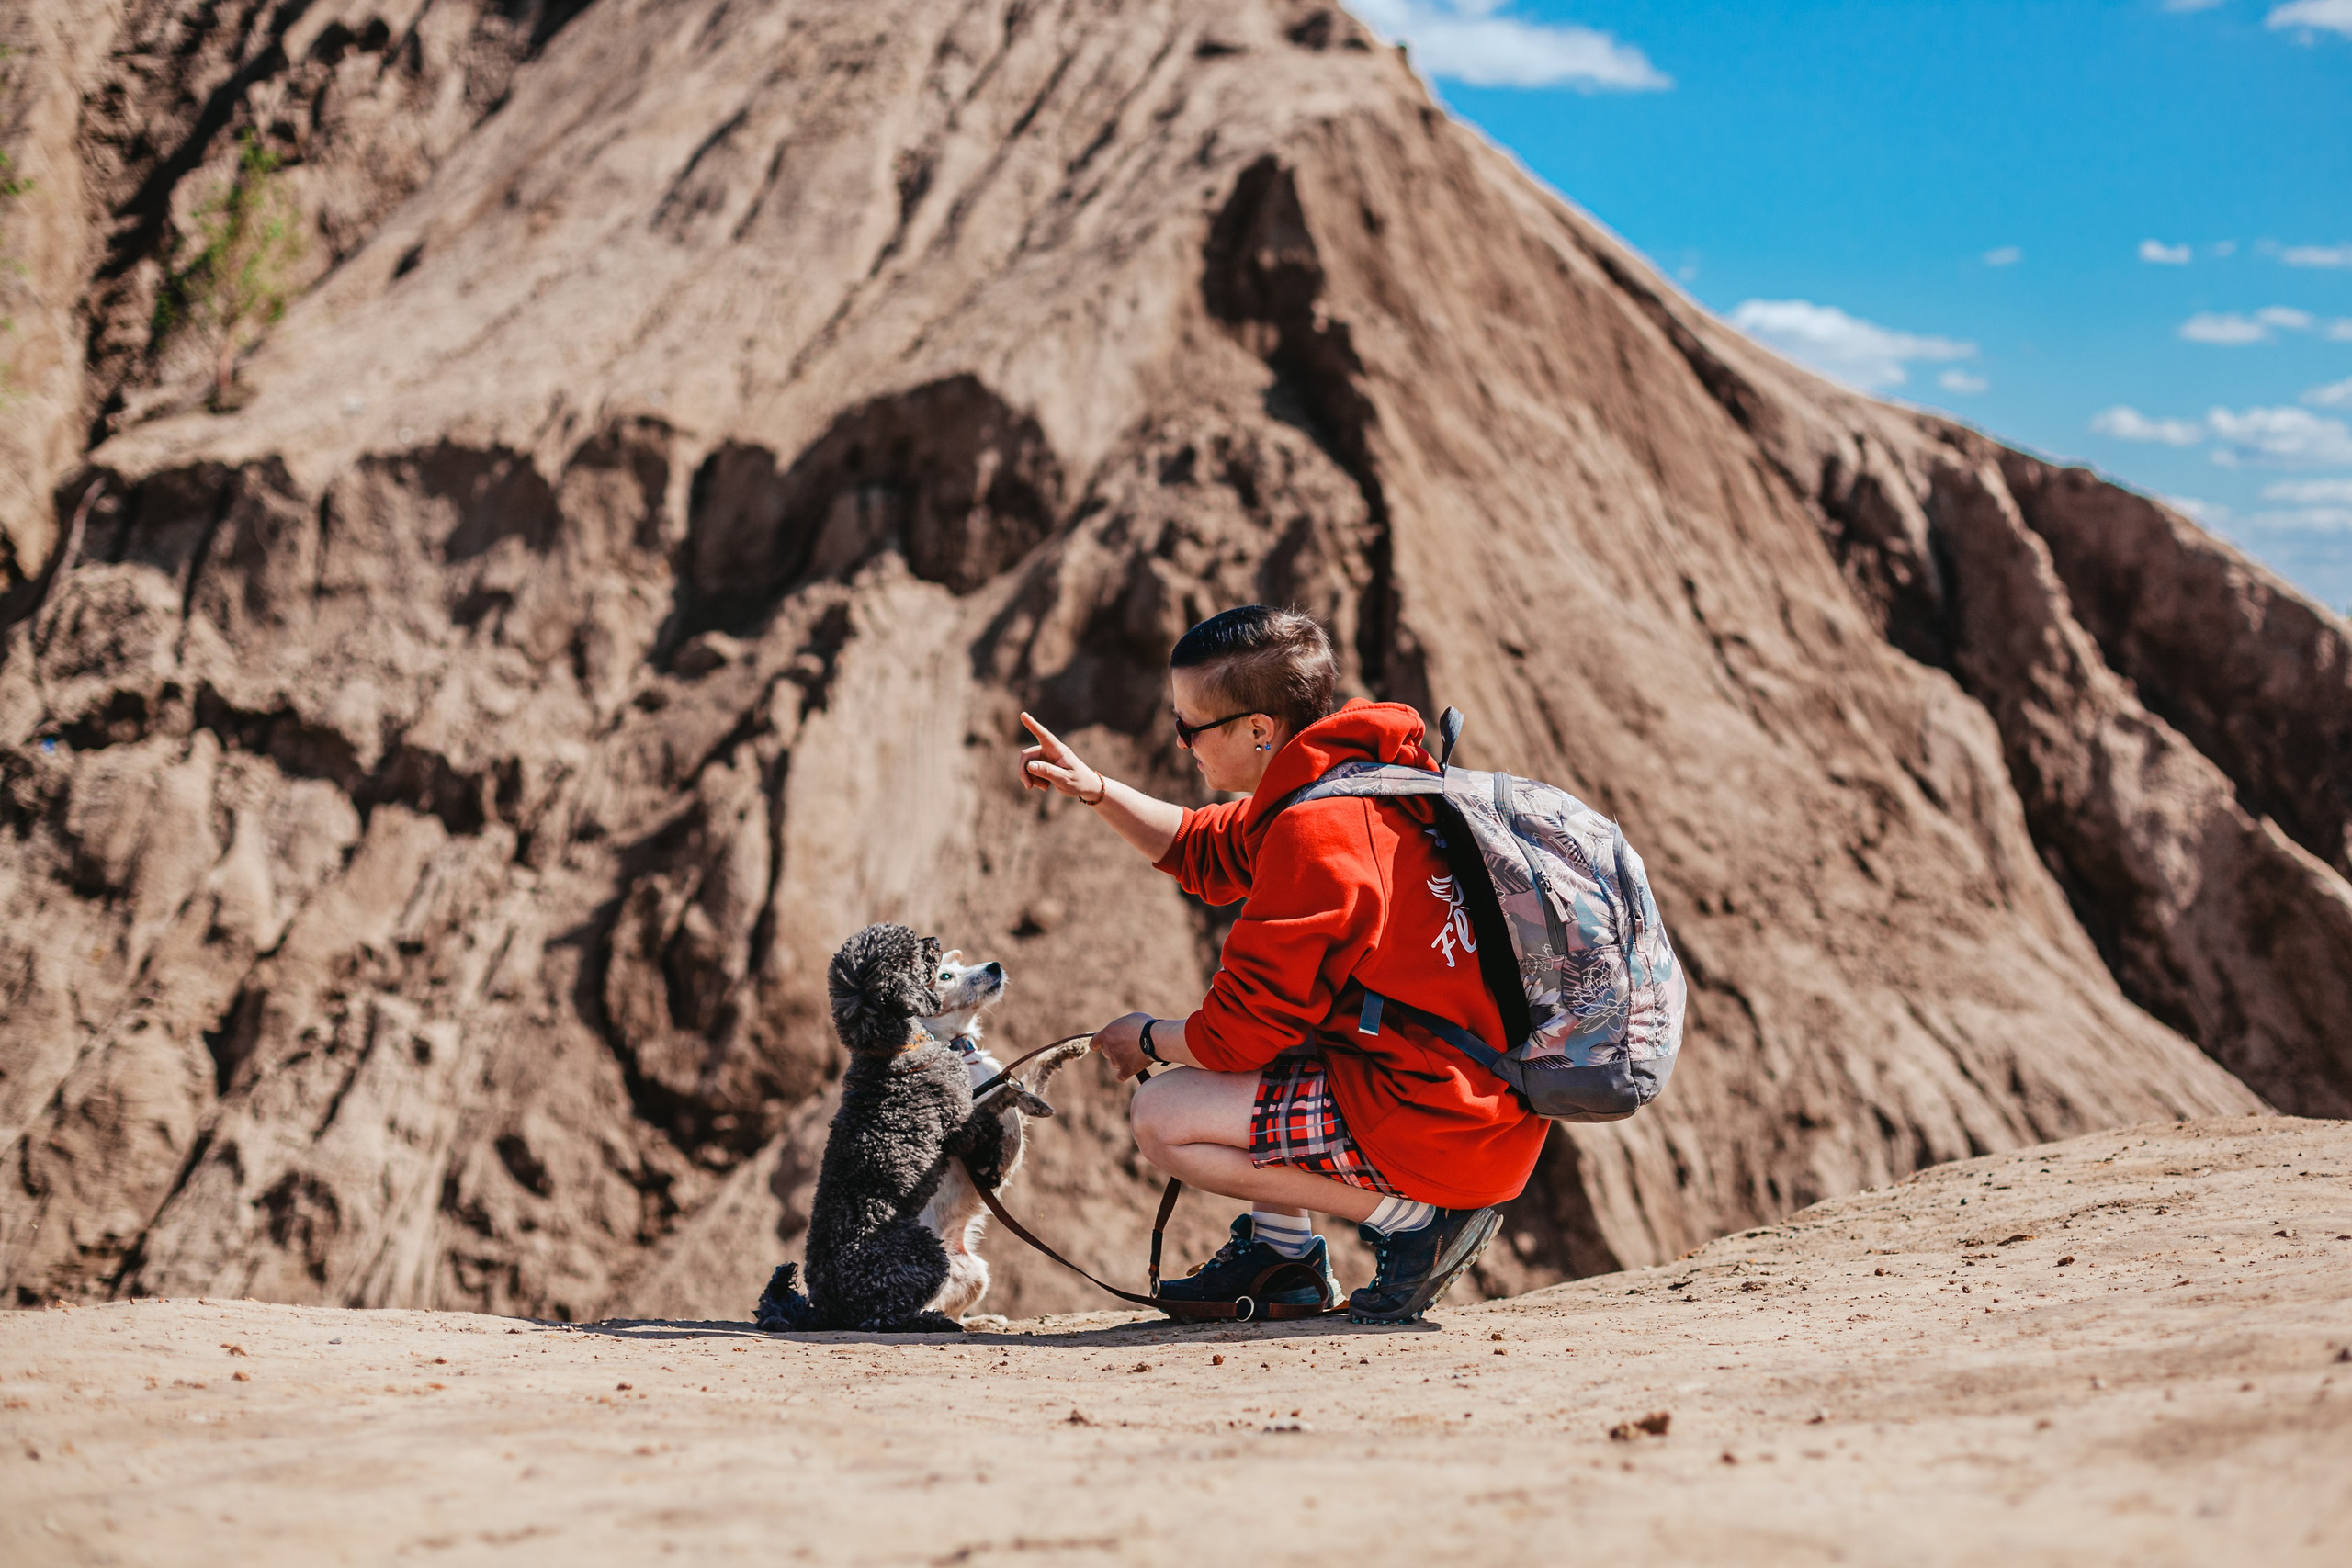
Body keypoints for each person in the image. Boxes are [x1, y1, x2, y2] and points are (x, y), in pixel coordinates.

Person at [1015, 605, 1544, 1323]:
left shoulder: (1313, 833)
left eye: (1189, 727)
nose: (1181, 742)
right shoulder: (1360, 780)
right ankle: (1282, 1258)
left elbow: (1235, 1038)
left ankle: (1417, 1222)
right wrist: (1097, 790)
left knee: (1163, 1115)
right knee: (1283, 1017)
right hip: (1481, 1102)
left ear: (1258, 729)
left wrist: (1143, 1036)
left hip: (1444, 1124)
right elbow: (1203, 845)